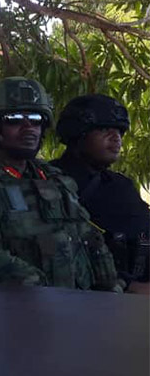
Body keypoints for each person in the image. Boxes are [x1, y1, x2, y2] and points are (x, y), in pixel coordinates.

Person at [0, 77, 122, 293]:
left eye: (36, 119)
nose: (29, 128)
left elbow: (89, 239)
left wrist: (111, 290)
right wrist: (50, 296)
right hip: (15, 311)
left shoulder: (53, 178)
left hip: (73, 307)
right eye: (14, 119)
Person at [51, 94, 149, 294]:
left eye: (120, 131)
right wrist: (129, 286)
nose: (116, 138)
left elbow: (143, 236)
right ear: (77, 133)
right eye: (105, 129)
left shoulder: (122, 185)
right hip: (83, 299)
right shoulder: (45, 183)